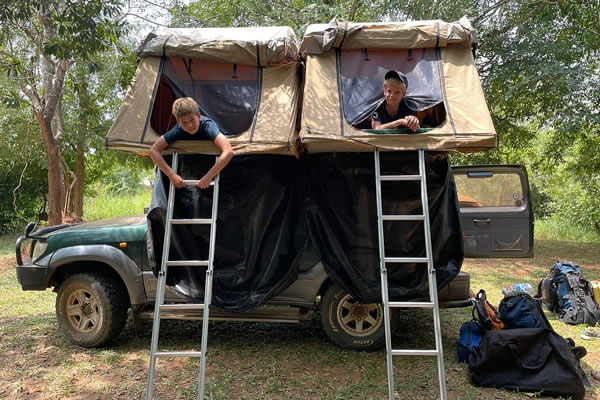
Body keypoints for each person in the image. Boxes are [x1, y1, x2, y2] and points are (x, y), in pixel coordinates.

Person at [150, 97, 234, 189]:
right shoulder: (178, 129)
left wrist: (209, 176)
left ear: (198, 116)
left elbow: (228, 151)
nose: (189, 125)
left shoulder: (208, 126)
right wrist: (171, 175)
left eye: (192, 120)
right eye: (184, 122)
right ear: (178, 122)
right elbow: (154, 150)